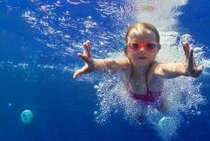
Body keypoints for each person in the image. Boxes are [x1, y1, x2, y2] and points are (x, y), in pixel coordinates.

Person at [73, 22, 203, 110]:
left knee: (164, 111)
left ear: (157, 50)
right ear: (126, 50)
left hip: (158, 98)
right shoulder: (125, 65)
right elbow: (112, 63)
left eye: (149, 46)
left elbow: (167, 69)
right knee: (138, 116)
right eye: (135, 46)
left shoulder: (155, 68)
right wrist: (94, 64)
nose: (142, 50)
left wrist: (184, 69)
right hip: (134, 97)